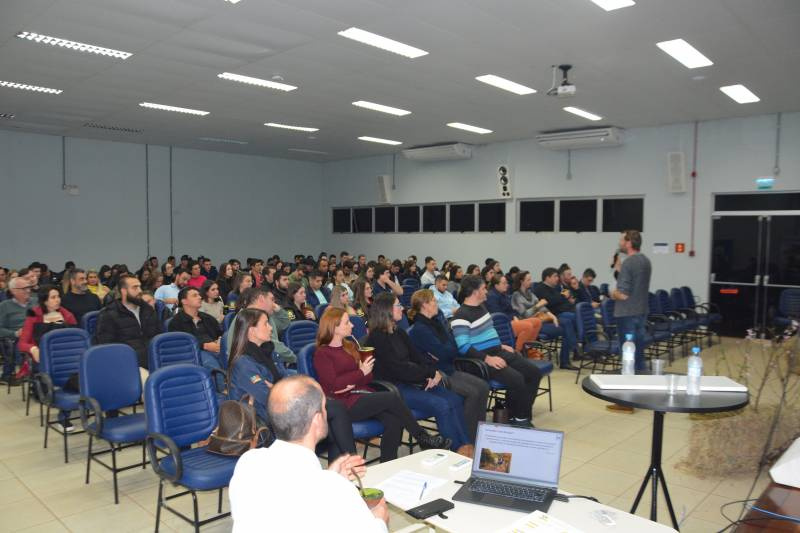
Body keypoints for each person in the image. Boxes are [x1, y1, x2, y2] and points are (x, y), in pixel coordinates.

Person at [229, 374, 388, 533]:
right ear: (317, 420)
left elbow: (287, 501)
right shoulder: (336, 490)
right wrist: (380, 519)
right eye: (324, 406)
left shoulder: (248, 463)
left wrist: (331, 475)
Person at [314, 308, 450, 462]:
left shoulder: (350, 346)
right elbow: (334, 386)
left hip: (361, 395)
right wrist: (359, 374)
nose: (352, 325)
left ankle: (387, 464)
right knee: (391, 397)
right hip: (343, 404)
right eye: (347, 322)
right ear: (334, 327)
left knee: (393, 421)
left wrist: (358, 376)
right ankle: (422, 436)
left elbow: (367, 378)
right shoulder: (323, 353)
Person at [226, 310, 356, 461]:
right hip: (265, 420)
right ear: (252, 330)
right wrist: (280, 389)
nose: (270, 328)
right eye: (266, 323)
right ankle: (352, 466)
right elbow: (268, 398)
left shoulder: (267, 351)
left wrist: (278, 387)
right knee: (335, 409)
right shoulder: (243, 363)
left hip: (283, 409)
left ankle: (342, 471)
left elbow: (285, 378)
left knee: (333, 425)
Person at [366, 293, 470, 451]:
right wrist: (427, 373)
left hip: (413, 381)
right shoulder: (377, 338)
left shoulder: (399, 332)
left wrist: (434, 372)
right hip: (394, 388)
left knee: (454, 399)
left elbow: (419, 357)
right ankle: (456, 453)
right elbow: (399, 370)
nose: (402, 308)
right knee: (441, 405)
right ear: (386, 310)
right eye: (398, 305)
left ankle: (467, 447)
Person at [452, 275, 543, 427]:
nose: (486, 291)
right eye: (483, 289)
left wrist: (500, 345)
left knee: (534, 373)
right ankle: (517, 418)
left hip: (497, 351)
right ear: (475, 292)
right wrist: (488, 358)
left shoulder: (482, 307)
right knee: (517, 379)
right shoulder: (461, 315)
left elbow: (489, 332)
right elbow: (463, 346)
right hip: (480, 360)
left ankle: (520, 416)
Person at [407, 289, 490, 440]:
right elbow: (445, 351)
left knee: (483, 387)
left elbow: (451, 347)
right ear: (425, 305)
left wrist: (447, 348)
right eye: (433, 301)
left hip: (448, 368)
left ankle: (480, 432)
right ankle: (470, 438)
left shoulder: (436, 322)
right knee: (473, 392)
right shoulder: (420, 329)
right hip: (438, 373)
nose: (436, 303)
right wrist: (447, 348)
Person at [18, 286, 77, 428]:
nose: (58, 300)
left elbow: (75, 340)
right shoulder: (34, 314)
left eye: (58, 296)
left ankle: (69, 408)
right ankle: (62, 410)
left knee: (80, 374)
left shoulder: (67, 315)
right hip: (43, 359)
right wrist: (33, 348)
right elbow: (22, 343)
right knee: (59, 376)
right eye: (53, 297)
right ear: (44, 300)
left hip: (66, 357)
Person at [95, 274, 161, 369]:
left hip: (154, 361)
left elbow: (158, 337)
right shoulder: (109, 314)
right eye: (135, 287)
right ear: (124, 291)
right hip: (127, 366)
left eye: (140, 287)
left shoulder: (148, 310)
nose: (140, 291)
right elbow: (107, 349)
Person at [612, 230, 652, 372]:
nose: (620, 243)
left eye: (622, 240)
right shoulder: (645, 261)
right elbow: (635, 284)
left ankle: (629, 383)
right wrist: (620, 272)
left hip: (626, 314)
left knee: (628, 355)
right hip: (640, 311)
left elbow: (623, 295)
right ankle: (642, 380)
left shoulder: (629, 262)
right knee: (639, 352)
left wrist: (612, 293)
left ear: (629, 243)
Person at [168, 287, 224, 372]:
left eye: (199, 295)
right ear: (184, 301)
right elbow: (180, 345)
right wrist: (204, 346)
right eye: (195, 295)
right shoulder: (176, 323)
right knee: (214, 367)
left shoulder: (208, 318)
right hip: (195, 353)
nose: (200, 297)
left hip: (216, 349)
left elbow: (220, 333)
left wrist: (219, 341)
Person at [486, 274, 543, 355]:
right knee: (528, 326)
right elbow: (498, 315)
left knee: (537, 322)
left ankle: (528, 349)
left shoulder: (503, 294)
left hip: (510, 320)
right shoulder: (491, 296)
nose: (507, 285)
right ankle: (517, 352)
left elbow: (512, 310)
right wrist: (512, 318)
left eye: (507, 283)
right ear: (496, 285)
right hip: (501, 325)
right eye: (504, 283)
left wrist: (514, 316)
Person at [534, 268, 579, 370]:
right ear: (547, 277)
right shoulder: (540, 288)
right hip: (551, 317)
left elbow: (560, 300)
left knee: (572, 320)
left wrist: (564, 297)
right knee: (570, 321)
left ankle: (572, 353)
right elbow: (551, 302)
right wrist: (563, 296)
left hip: (562, 314)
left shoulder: (555, 288)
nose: (557, 278)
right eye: (555, 276)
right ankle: (575, 348)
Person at [0, 277, 37, 384]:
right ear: (13, 291)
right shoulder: (4, 306)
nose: (28, 290)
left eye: (29, 287)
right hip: (18, 337)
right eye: (24, 288)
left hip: (38, 334)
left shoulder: (35, 301)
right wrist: (15, 333)